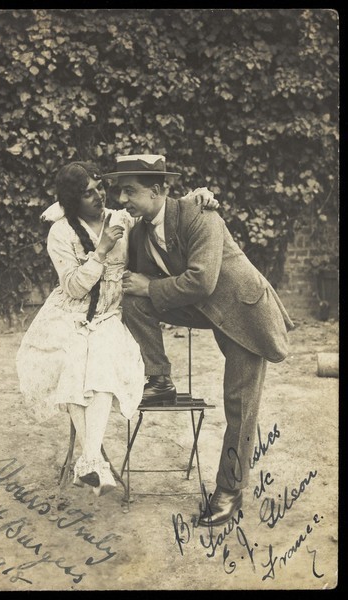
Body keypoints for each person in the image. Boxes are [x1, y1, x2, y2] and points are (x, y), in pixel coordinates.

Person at [102, 153, 294, 524]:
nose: (122, 199)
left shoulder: (200, 215)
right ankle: (160, 379)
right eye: (119, 191)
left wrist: (151, 285)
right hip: (205, 309)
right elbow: (137, 280)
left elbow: (203, 280)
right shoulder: (140, 230)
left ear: (157, 190)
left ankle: (229, 490)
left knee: (239, 405)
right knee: (132, 297)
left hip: (243, 312)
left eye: (129, 191)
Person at [16, 160, 218, 497]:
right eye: (87, 194)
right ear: (71, 201)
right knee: (74, 362)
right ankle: (93, 460)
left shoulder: (121, 219)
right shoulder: (61, 232)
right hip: (69, 315)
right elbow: (74, 289)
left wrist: (199, 196)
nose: (98, 198)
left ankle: (90, 461)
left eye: (99, 189)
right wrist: (101, 251)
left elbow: (162, 208)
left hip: (110, 314)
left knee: (100, 361)